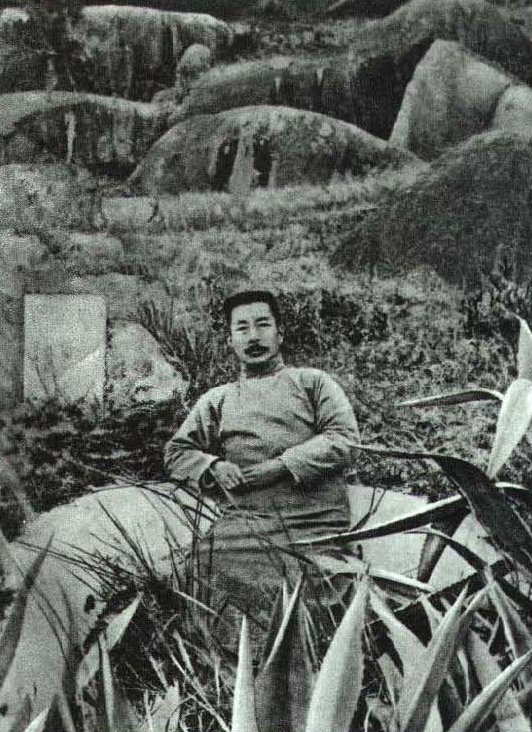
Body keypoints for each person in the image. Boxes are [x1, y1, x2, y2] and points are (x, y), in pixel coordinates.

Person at [164, 290, 360, 612]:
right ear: (230, 340)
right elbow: (177, 452)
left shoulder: (313, 382)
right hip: (246, 527)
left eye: (263, 325)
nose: (253, 336)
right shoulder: (218, 399)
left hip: (314, 524)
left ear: (280, 333)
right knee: (197, 576)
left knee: (312, 602)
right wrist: (213, 467)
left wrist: (281, 465)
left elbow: (345, 440)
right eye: (242, 328)